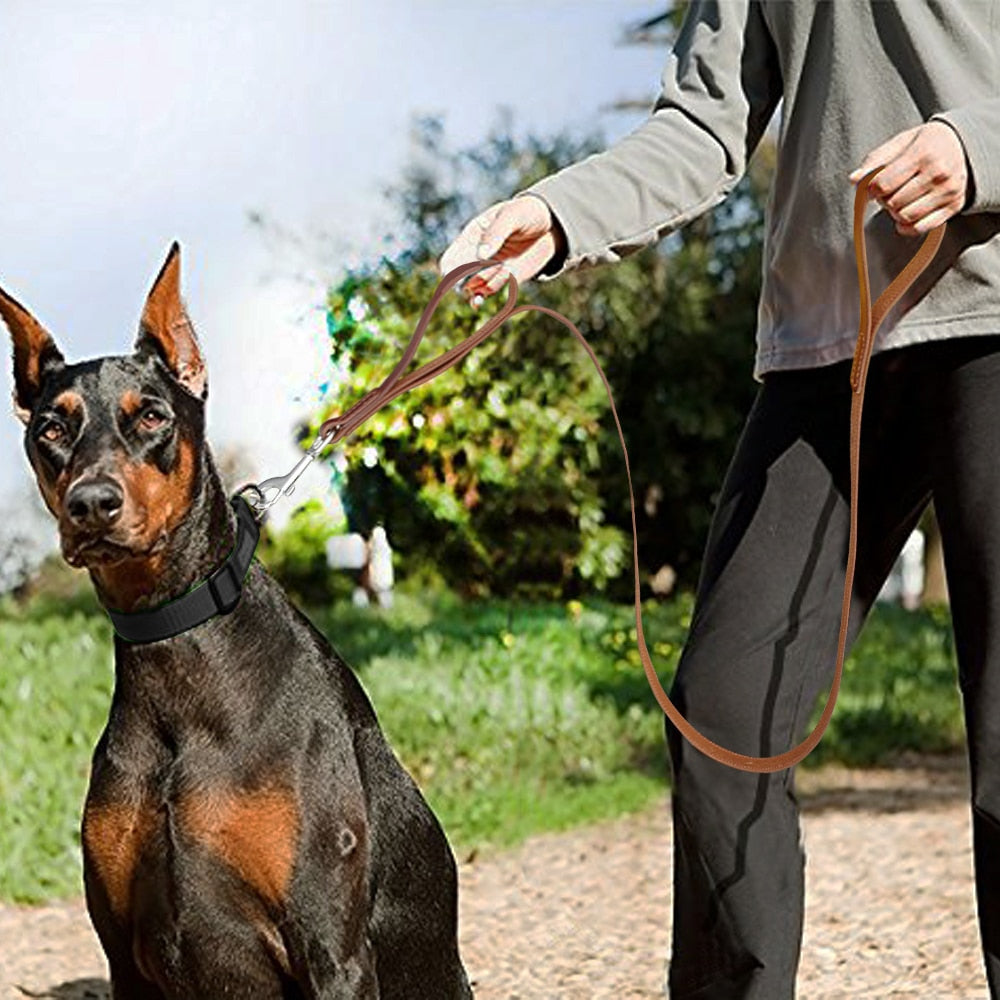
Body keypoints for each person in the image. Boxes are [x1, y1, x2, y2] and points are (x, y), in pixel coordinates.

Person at [438, 2, 1000, 998]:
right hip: (826, 347)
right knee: (721, 715)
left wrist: (976, 146)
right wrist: (560, 215)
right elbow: (702, 125)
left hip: (993, 316)